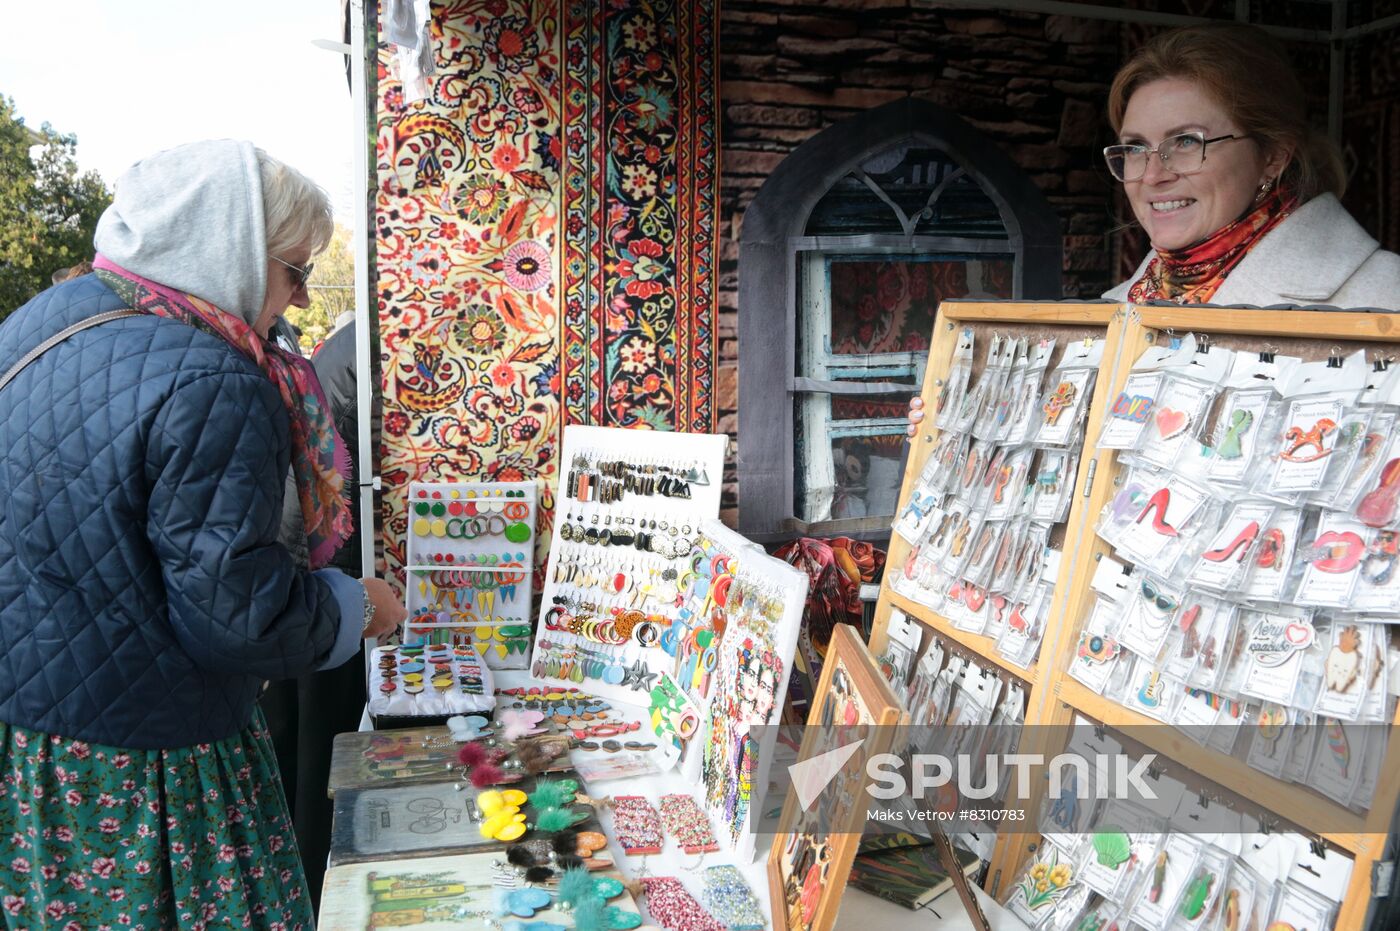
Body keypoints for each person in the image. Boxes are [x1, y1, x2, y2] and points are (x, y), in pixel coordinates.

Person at [0, 139, 404, 928]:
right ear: (233, 248)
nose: (296, 299)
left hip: (36, 750)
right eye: (293, 270)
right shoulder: (211, 376)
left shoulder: (43, 322)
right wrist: (356, 608)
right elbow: (237, 615)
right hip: (153, 767)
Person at [908, 22, 1400, 435]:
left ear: (1273, 153)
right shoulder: (1119, 309)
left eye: (1186, 142)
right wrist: (964, 423)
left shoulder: (1383, 297)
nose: (1152, 173)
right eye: (1136, 147)